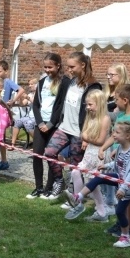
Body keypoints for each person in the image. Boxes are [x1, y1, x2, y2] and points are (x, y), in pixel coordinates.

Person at [64, 121, 130, 248]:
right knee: (98, 177)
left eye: (117, 132)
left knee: (120, 211)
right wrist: (106, 166)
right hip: (120, 178)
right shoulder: (120, 148)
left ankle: (126, 237)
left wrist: (123, 189)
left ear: (128, 136)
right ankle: (78, 197)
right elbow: (118, 164)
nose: (113, 134)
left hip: (128, 185)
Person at [42, 52, 102, 200]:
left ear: (83, 65)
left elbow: (95, 114)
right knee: (49, 152)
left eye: (72, 67)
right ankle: (59, 181)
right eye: (68, 67)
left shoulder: (93, 86)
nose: (69, 70)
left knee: (76, 166)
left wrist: (87, 136)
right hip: (64, 127)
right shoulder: (71, 81)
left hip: (79, 132)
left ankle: (74, 197)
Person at [99, 84, 130, 237]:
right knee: (121, 194)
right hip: (119, 162)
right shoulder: (121, 115)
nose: (115, 102)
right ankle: (121, 223)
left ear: (125, 100)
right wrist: (103, 148)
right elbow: (114, 136)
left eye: (117, 99)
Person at [63, 89, 112, 221]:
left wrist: (86, 137)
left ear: (99, 104)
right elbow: (84, 133)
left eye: (90, 104)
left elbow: (100, 140)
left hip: (99, 153)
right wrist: (86, 137)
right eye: (87, 104)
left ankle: (101, 212)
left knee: (92, 182)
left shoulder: (105, 119)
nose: (87, 107)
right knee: (75, 172)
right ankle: (78, 203)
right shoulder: (90, 117)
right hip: (90, 152)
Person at [25, 53, 69, 199]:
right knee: (37, 155)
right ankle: (38, 187)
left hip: (54, 125)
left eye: (50, 67)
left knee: (51, 156)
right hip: (41, 124)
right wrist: (40, 123)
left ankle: (49, 187)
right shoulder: (42, 82)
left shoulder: (64, 82)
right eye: (45, 67)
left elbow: (60, 106)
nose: (47, 70)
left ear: (58, 66)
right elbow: (36, 105)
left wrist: (50, 124)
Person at [0, 61, 25, 171]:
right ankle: (2, 161)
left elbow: (21, 90)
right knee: (0, 138)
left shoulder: (7, 82)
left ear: (6, 71)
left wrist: (13, 100)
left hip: (3, 113)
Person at [10, 77, 38, 149]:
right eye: (29, 84)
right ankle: (13, 144)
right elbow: (22, 104)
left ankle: (38, 142)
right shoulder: (30, 94)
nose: (30, 86)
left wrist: (27, 98)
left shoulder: (40, 94)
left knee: (28, 123)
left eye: (32, 84)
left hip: (38, 117)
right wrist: (20, 97)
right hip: (30, 116)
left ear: (37, 85)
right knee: (18, 122)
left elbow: (37, 103)